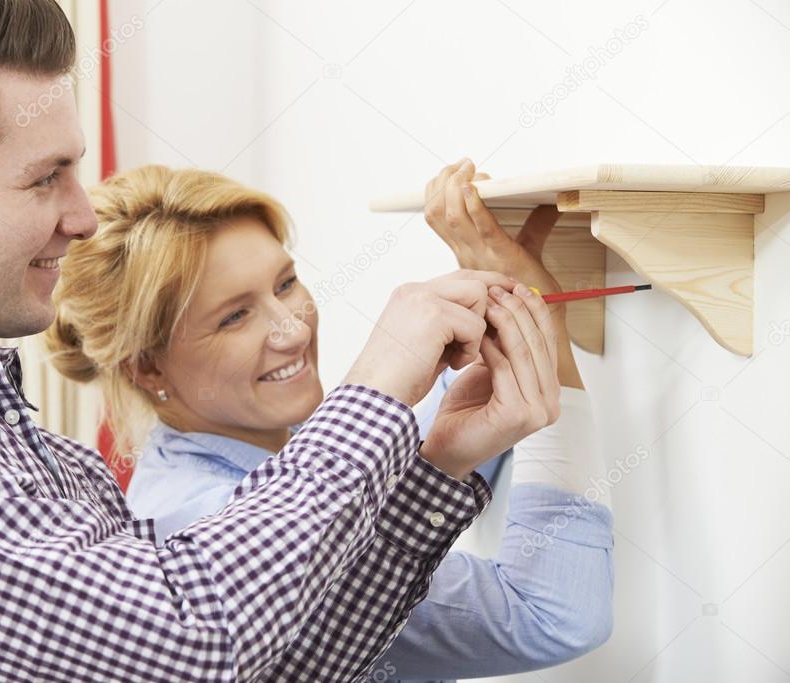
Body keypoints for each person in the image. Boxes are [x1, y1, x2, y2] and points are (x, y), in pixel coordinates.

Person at [0, 1, 561, 681]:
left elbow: (267, 665)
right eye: (44, 179)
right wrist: (378, 383)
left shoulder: (24, 448)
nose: (82, 216)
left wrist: (437, 464)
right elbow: (194, 639)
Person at [47, 161, 614, 682]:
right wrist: (546, 332)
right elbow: (550, 615)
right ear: (146, 367)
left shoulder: (280, 441)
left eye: (285, 284)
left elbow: (431, 434)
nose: (291, 330)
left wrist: (508, 303)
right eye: (235, 316)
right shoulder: (207, 524)